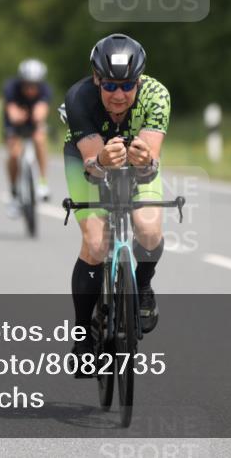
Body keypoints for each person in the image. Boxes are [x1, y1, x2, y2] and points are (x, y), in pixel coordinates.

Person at [62, 33, 170, 375]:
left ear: (140, 80)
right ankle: (82, 336)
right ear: (96, 79)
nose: (119, 95)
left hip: (137, 162)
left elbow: (151, 161)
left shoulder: (157, 96)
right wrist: (103, 161)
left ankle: (144, 284)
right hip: (88, 161)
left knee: (149, 230)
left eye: (127, 85)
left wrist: (144, 161)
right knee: (95, 244)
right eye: (109, 86)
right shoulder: (79, 98)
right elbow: (92, 167)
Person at [3, 58, 52, 217]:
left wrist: (38, 114)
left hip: (33, 122)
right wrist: (16, 115)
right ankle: (14, 194)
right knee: (14, 154)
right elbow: (11, 111)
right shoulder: (11, 87)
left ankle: (42, 182)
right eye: (27, 85)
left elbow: (43, 109)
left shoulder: (45, 89)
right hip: (14, 124)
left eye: (34, 85)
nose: (31, 89)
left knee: (39, 139)